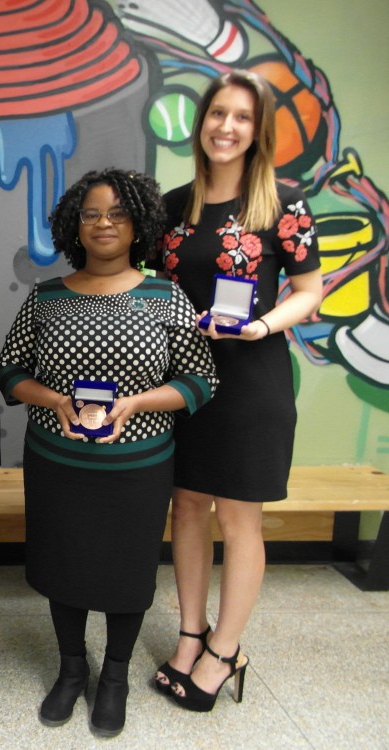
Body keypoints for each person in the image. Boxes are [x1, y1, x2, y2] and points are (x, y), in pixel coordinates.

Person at [0, 168, 218, 736]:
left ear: (137, 224)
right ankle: (72, 670)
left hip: (137, 469)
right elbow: (9, 371)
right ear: (75, 224)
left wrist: (139, 403)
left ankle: (113, 675)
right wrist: (55, 400)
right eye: (92, 213)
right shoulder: (46, 296)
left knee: (126, 571)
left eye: (117, 213)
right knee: (62, 563)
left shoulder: (165, 296)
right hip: (57, 463)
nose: (103, 224)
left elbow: (200, 378)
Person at [150, 70, 322, 712]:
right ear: (201, 124)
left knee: (239, 514)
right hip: (182, 382)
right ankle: (191, 634)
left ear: (259, 132)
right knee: (187, 507)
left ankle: (226, 650)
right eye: (217, 113)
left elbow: (310, 291)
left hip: (252, 381)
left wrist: (260, 325)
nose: (226, 127)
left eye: (242, 118)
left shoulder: (285, 207)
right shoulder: (172, 206)